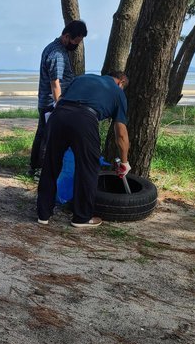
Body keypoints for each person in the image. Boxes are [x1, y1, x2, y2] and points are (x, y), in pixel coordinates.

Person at [37, 71, 130, 228]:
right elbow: (121, 134)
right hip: (85, 119)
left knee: (51, 164)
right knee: (88, 167)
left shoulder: (83, 78)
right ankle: (81, 217)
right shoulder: (118, 93)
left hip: (58, 115)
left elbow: (59, 100)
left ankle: (43, 214)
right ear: (121, 82)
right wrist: (125, 162)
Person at [29, 20, 88, 179]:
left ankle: (34, 167)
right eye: (76, 41)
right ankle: (40, 170)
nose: (76, 45)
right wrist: (59, 105)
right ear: (67, 36)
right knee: (48, 137)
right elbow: (55, 83)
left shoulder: (54, 48)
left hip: (47, 101)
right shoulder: (57, 54)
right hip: (51, 103)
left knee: (42, 134)